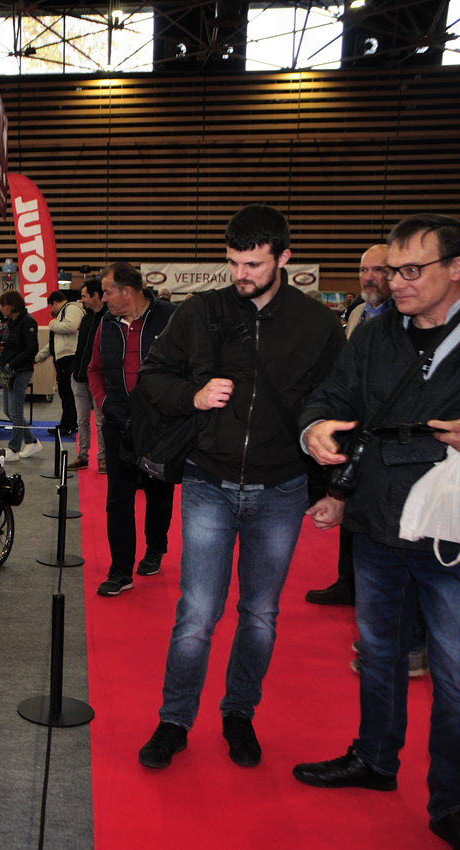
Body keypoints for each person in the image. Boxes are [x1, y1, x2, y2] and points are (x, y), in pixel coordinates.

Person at [133, 204, 345, 770]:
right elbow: (152, 378)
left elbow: (337, 407)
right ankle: (174, 720)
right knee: (197, 613)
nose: (240, 274)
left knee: (260, 614)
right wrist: (194, 396)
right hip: (209, 480)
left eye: (253, 264)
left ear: (284, 258)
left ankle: (239, 713)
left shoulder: (318, 326)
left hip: (282, 490)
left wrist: (334, 490)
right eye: (232, 262)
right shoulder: (201, 311)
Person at [292, 214, 460, 849]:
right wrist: (315, 427)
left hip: (450, 532)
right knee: (379, 653)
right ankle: (374, 758)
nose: (399, 281)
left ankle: (452, 800)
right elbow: (333, 396)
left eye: (414, 269)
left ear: (456, 268)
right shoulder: (375, 331)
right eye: (394, 270)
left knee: (455, 675)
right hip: (378, 520)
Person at [305, 244, 392, 607]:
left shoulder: (403, 318)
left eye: (379, 270)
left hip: (385, 436)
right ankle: (347, 582)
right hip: (351, 428)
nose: (369, 278)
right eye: (364, 270)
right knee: (346, 500)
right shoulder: (358, 312)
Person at [87, 262, 178, 596]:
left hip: (159, 425)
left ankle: (155, 547)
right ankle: (120, 571)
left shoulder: (170, 317)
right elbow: (94, 369)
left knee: (159, 490)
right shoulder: (106, 323)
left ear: (128, 291)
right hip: (118, 423)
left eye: (107, 292)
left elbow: (190, 367)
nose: (103, 298)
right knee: (119, 498)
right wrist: (104, 403)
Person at [0, 290, 41, 461]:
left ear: (13, 305)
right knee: (9, 410)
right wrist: (1, 346)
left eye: (3, 305)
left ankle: (14, 449)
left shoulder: (28, 322)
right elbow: (14, 344)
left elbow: (32, 349)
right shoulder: (12, 321)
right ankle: (31, 441)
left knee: (15, 411)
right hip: (10, 371)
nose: (1, 308)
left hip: (20, 371)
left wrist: (11, 365)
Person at [68, 277, 106, 473]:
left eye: (84, 296)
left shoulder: (109, 319)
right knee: (82, 420)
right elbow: (80, 347)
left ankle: (103, 458)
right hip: (79, 377)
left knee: (101, 421)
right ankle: (82, 456)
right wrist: (74, 369)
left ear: (95, 295)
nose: (81, 300)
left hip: (99, 379)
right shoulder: (86, 318)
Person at [35, 290, 84, 436]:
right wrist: (38, 357)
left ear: (55, 303)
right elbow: (53, 344)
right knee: (66, 392)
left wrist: (52, 324)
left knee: (67, 392)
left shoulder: (71, 308)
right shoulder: (64, 314)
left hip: (69, 357)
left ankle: (66, 425)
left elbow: (71, 326)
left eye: (51, 307)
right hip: (65, 357)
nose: (51, 311)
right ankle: (72, 423)